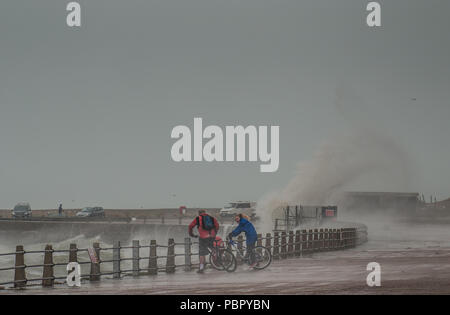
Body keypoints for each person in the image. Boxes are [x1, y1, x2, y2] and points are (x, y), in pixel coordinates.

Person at [188, 209, 220, 273]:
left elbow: (190, 226)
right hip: (212, 236)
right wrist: (214, 233)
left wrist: (191, 234)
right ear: (205, 213)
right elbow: (217, 226)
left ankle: (201, 268)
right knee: (213, 249)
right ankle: (216, 264)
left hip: (203, 237)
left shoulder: (198, 218)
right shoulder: (211, 218)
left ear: (199, 213)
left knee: (201, 253)